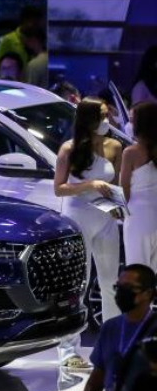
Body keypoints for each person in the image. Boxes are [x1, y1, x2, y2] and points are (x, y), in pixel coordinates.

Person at [54, 98, 124, 369]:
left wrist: (118, 207)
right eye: (103, 115)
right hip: (77, 218)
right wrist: (89, 183)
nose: (108, 120)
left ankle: (112, 346)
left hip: (105, 219)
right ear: (89, 119)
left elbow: (114, 187)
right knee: (77, 284)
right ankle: (68, 351)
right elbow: (59, 188)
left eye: (108, 115)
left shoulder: (115, 147)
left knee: (110, 283)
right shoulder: (69, 149)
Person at [123, 103, 157, 270]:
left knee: (138, 271)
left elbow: (124, 192)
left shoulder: (130, 152)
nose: (129, 124)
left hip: (137, 218)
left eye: (132, 120)